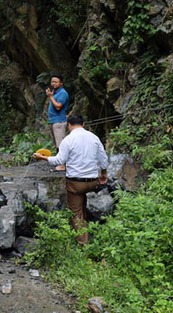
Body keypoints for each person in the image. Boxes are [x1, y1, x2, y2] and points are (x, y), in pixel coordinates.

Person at [33, 115, 108, 245]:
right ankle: (89, 231)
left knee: (76, 212)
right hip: (92, 182)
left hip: (76, 183)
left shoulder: (68, 140)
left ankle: (83, 244)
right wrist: (103, 174)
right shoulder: (94, 138)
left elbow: (59, 161)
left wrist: (42, 157)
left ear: (69, 125)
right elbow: (104, 160)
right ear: (83, 124)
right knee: (81, 204)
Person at [45, 74, 69, 172]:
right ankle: (59, 162)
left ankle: (63, 165)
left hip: (59, 121)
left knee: (61, 144)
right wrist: (51, 95)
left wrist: (50, 97)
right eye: (52, 82)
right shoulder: (55, 92)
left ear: (61, 83)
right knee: (56, 144)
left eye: (56, 82)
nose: (53, 84)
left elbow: (58, 106)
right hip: (53, 121)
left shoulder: (63, 93)